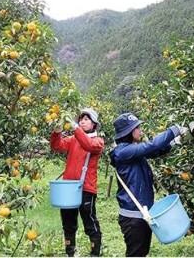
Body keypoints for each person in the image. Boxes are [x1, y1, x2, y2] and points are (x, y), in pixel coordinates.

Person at [109, 112, 183, 257]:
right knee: (136, 254)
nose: (140, 130)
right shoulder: (123, 152)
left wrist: (175, 142)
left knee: (141, 253)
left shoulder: (131, 151)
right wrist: (174, 130)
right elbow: (150, 146)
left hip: (142, 214)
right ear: (129, 132)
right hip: (133, 217)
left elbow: (155, 151)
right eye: (137, 128)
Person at [50, 108, 105, 257]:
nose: (82, 121)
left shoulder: (98, 141)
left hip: (86, 188)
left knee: (89, 220)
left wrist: (76, 129)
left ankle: (95, 252)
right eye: (81, 119)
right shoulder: (74, 139)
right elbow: (57, 146)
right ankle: (70, 252)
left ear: (94, 124)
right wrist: (57, 132)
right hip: (69, 188)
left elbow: (89, 145)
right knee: (68, 222)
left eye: (86, 119)